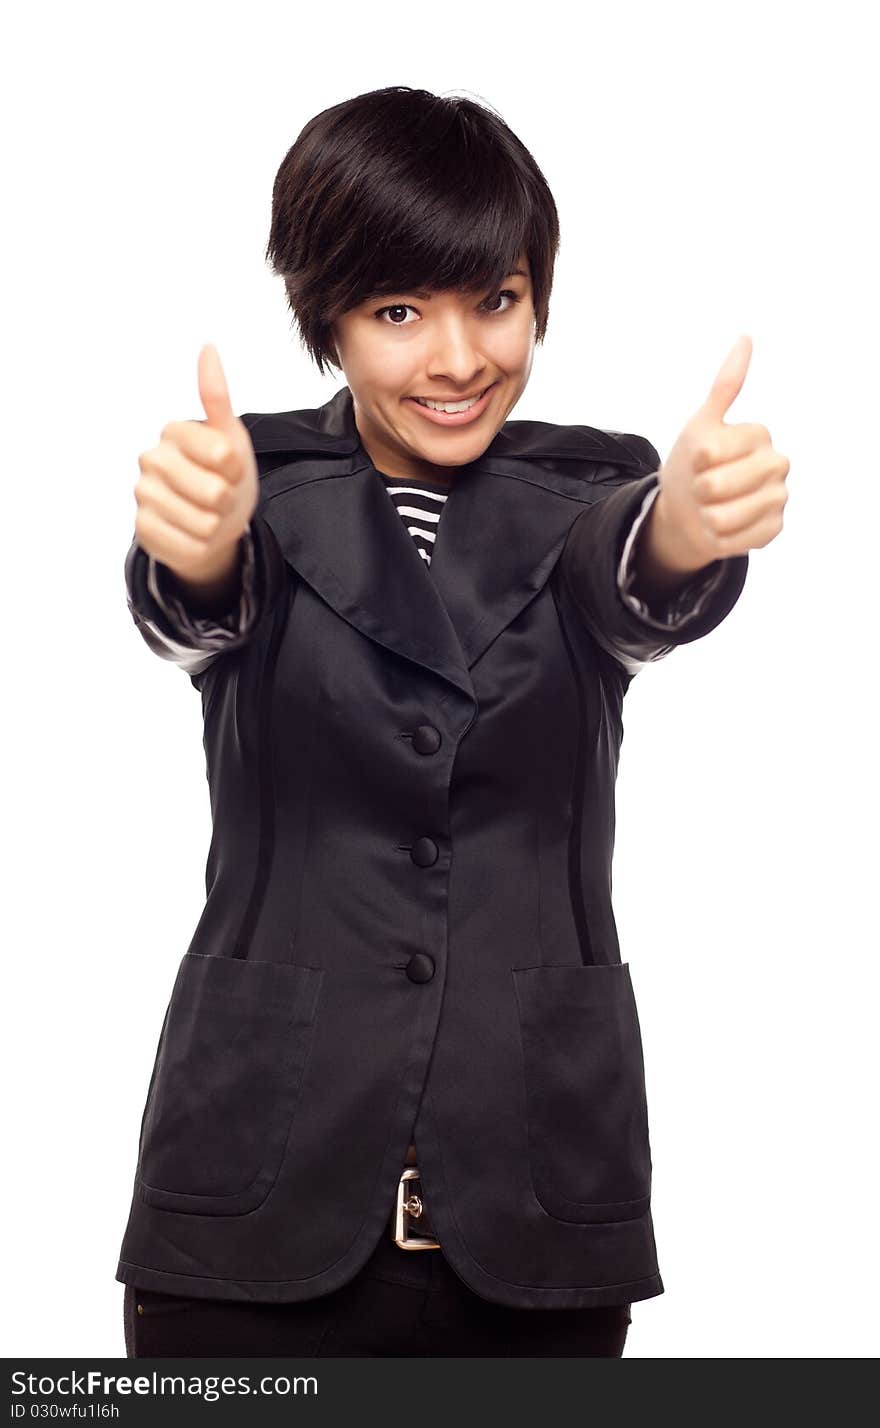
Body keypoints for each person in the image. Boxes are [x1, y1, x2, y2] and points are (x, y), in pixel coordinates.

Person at [118, 86, 789, 1358]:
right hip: (249, 1208)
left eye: (496, 300)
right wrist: (194, 553)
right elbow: (190, 611)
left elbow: (635, 577)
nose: (458, 358)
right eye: (396, 313)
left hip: (537, 1204)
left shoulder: (593, 488)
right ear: (325, 316)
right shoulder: (247, 490)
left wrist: (692, 529)